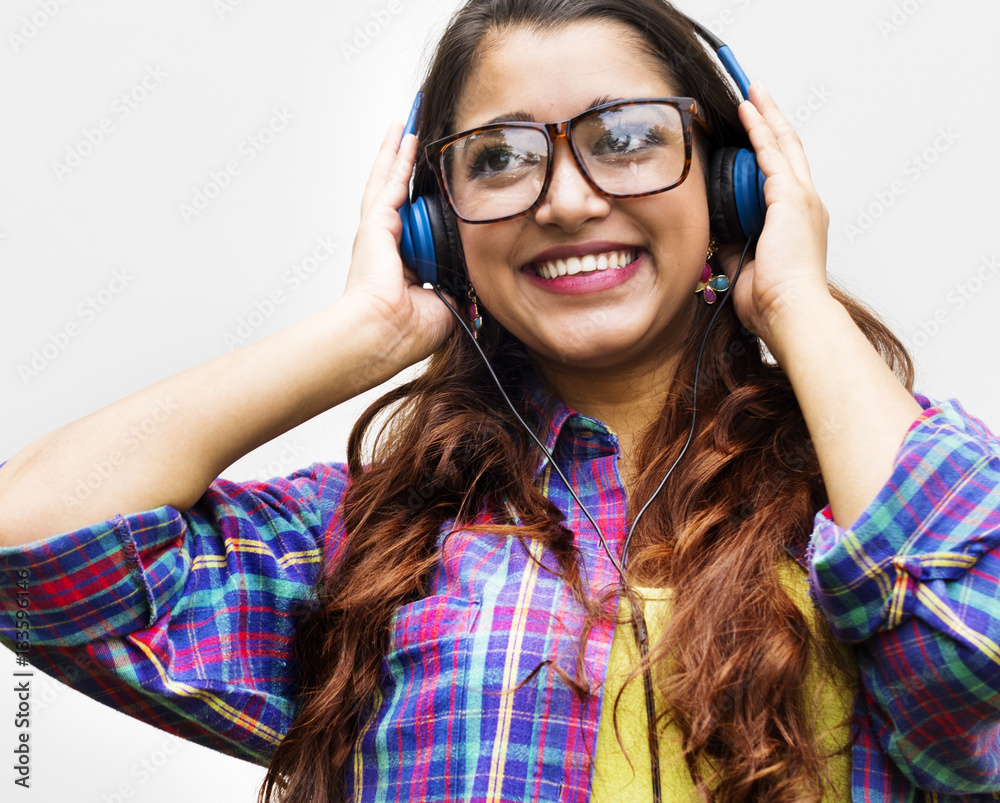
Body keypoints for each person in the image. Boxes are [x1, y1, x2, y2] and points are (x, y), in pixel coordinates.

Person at [2, 0, 999, 801]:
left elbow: (977, 667)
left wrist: (794, 299)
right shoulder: (363, 544)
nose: (565, 199)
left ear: (733, 181)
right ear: (437, 226)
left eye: (627, 137)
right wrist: (365, 335)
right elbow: (33, 541)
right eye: (501, 157)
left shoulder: (870, 478)